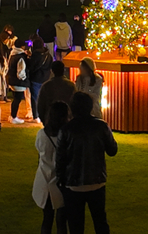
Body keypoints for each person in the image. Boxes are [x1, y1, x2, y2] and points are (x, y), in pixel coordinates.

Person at [56, 92, 118, 234]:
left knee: (76, 225)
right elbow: (113, 150)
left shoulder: (66, 129)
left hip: (74, 183)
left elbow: (60, 159)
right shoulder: (101, 126)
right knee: (100, 221)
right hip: (97, 180)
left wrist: (60, 180)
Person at [34, 101, 70, 234]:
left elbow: (39, 153)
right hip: (62, 182)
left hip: (44, 179)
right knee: (62, 222)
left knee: (47, 219)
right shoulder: (67, 135)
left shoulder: (42, 134)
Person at [38, 61, 77, 125]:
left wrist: (44, 120)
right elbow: (75, 103)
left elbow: (41, 105)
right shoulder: (70, 85)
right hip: (67, 119)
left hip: (51, 120)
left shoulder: (47, 86)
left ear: (52, 71)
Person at [28, 36, 53, 125]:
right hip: (46, 78)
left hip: (36, 78)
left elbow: (32, 66)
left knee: (35, 98)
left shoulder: (36, 55)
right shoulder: (48, 54)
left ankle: (36, 116)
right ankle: (44, 114)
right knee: (44, 97)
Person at [8, 37, 32, 124]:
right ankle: (14, 116)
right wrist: (24, 79)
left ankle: (12, 116)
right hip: (19, 82)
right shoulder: (21, 57)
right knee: (17, 100)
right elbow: (21, 71)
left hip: (12, 80)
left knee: (15, 99)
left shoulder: (12, 54)